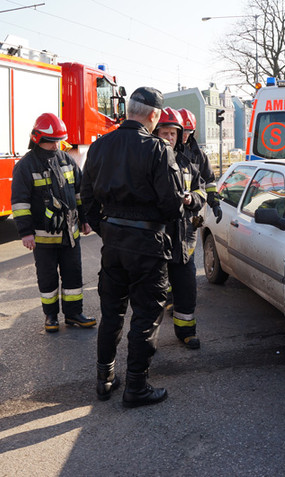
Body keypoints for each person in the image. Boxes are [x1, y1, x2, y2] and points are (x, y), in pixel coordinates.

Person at [81, 87, 185, 408]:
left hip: (113, 244)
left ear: (129, 111)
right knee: (145, 316)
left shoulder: (99, 147)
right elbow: (172, 205)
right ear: (153, 116)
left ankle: (105, 378)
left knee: (111, 312)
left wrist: (108, 228)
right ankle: (136, 387)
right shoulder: (158, 150)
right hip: (147, 247)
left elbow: (86, 200)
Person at [11, 113, 96, 334]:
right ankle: (50, 316)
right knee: (47, 278)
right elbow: (20, 203)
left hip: (70, 234)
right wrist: (25, 233)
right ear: (37, 139)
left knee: (73, 275)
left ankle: (74, 314)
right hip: (43, 237)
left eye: (58, 140)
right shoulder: (25, 166)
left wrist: (85, 220)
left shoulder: (66, 160)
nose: (55, 145)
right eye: (51, 140)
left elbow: (79, 194)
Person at [155, 108, 207, 349]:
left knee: (186, 291)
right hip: (157, 240)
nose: (169, 137)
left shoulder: (187, 162)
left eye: (173, 133)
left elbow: (201, 190)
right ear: (155, 133)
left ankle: (187, 332)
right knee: (154, 295)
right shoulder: (149, 162)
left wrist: (192, 200)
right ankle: (148, 341)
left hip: (184, 240)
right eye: (164, 132)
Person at [178, 108, 222, 224]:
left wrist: (215, 204)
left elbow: (209, 182)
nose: (185, 135)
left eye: (189, 131)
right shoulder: (170, 152)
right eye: (183, 131)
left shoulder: (199, 155)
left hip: (194, 211)